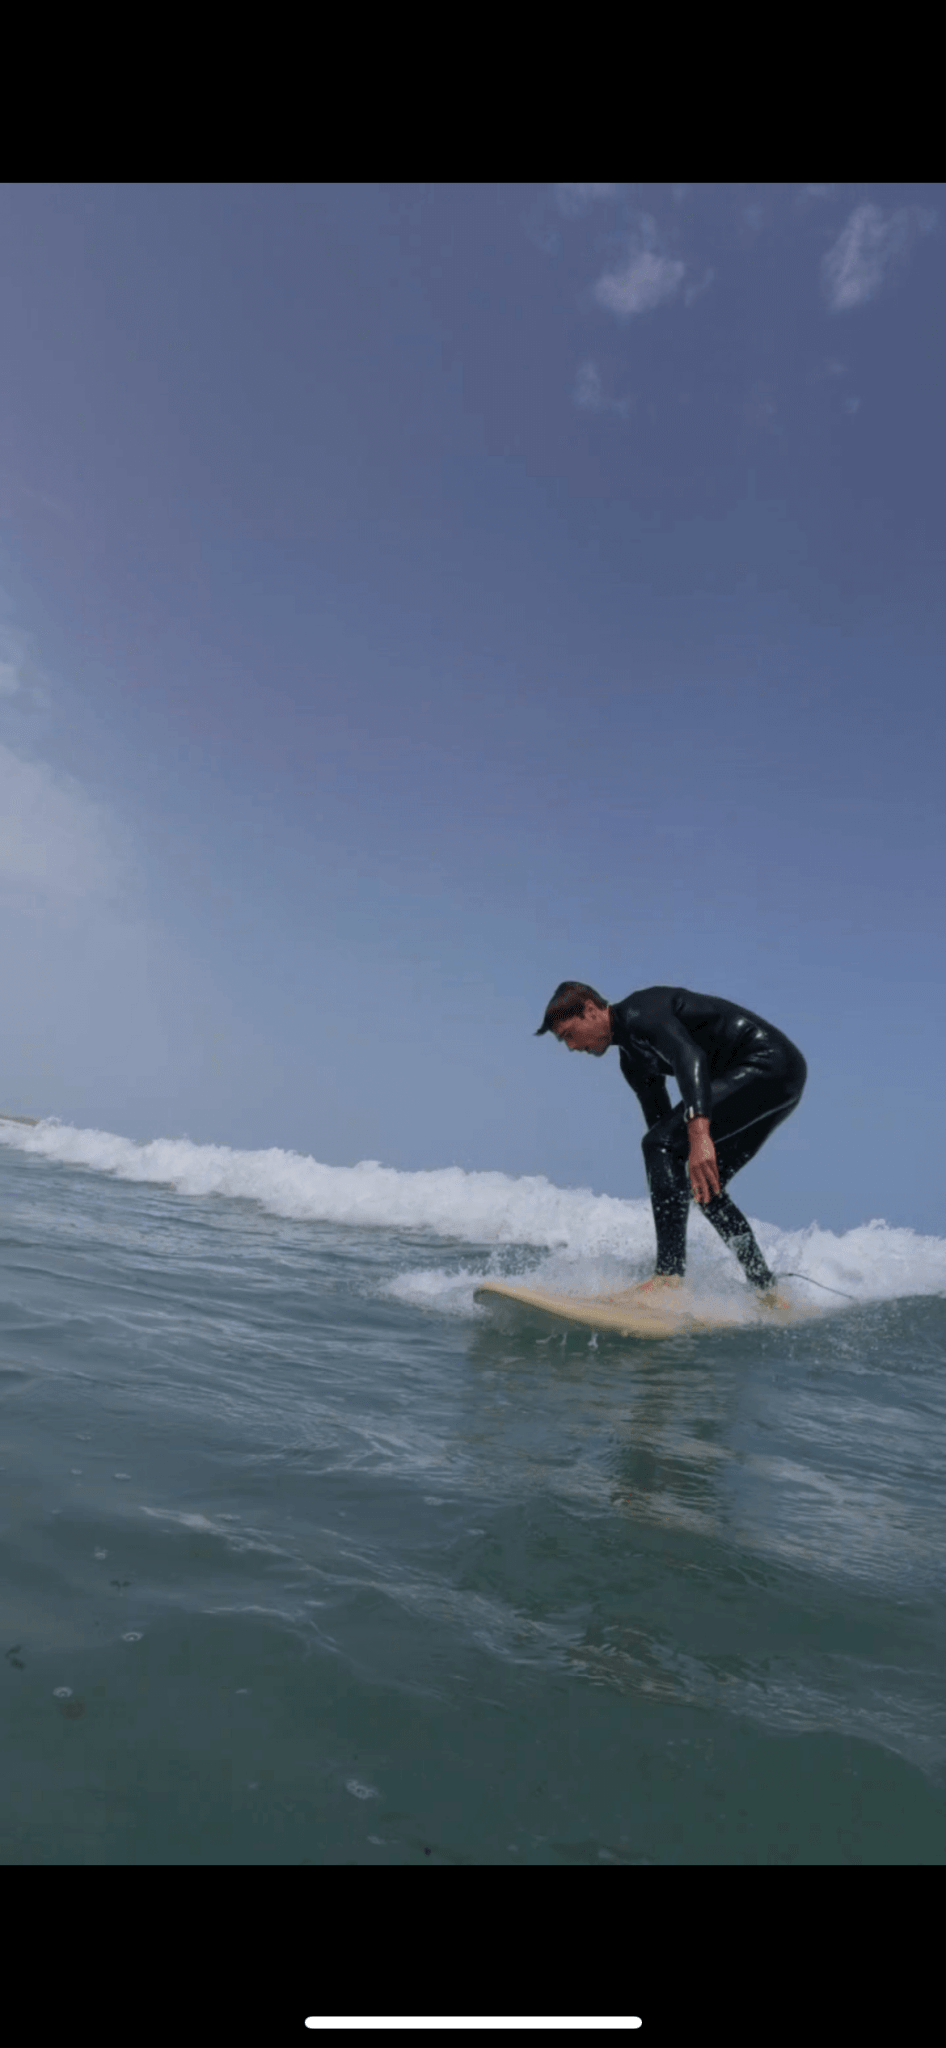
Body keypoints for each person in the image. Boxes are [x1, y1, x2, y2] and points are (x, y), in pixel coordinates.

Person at [536, 981, 807, 1303]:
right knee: (705, 1186)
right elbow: (663, 1132)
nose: (571, 1047)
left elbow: (687, 1056)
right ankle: (767, 1290)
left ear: (591, 1010)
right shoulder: (632, 1062)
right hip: (777, 1079)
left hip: (768, 1063)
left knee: (662, 1146)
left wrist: (699, 1134)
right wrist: (679, 1156)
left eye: (569, 1034)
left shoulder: (642, 1012)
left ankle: (668, 1276)